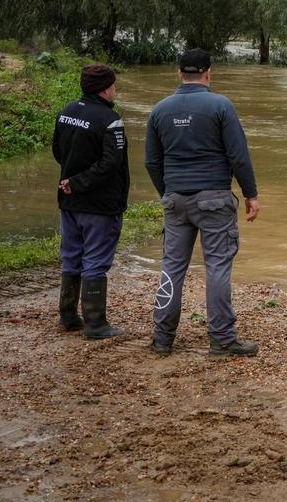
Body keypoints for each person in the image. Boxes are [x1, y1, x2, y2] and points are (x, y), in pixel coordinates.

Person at [145, 48, 260, 357]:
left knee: (171, 268)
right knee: (218, 267)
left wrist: (168, 193)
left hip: (175, 199)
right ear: (209, 73)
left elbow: (152, 162)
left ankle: (162, 338)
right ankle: (222, 338)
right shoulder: (221, 105)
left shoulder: (160, 110)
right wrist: (251, 194)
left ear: (179, 73)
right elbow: (238, 155)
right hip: (214, 199)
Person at [52, 63, 129, 340]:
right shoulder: (110, 121)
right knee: (95, 260)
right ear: (106, 88)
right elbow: (112, 163)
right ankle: (96, 324)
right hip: (99, 205)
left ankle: (68, 316)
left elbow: (58, 152)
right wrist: (80, 183)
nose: (115, 90)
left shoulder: (66, 113)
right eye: (114, 85)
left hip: (69, 202)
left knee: (72, 257)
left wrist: (71, 182)